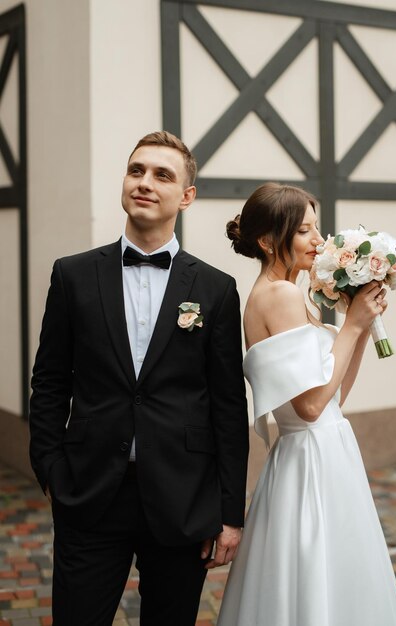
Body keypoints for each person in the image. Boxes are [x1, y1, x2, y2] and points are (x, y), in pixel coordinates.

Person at [29, 130, 249, 626]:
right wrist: (50, 468)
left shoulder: (216, 289)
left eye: (162, 175)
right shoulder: (73, 275)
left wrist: (230, 512)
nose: (145, 182)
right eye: (136, 170)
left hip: (182, 495)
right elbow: (49, 381)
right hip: (89, 492)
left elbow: (228, 404)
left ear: (187, 197)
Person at [217, 182, 396, 626]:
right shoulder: (278, 295)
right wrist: (351, 324)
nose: (319, 241)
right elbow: (310, 408)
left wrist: (357, 325)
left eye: (316, 228)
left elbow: (335, 394)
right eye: (305, 231)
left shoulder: (294, 295)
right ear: (267, 241)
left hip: (327, 448)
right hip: (310, 456)